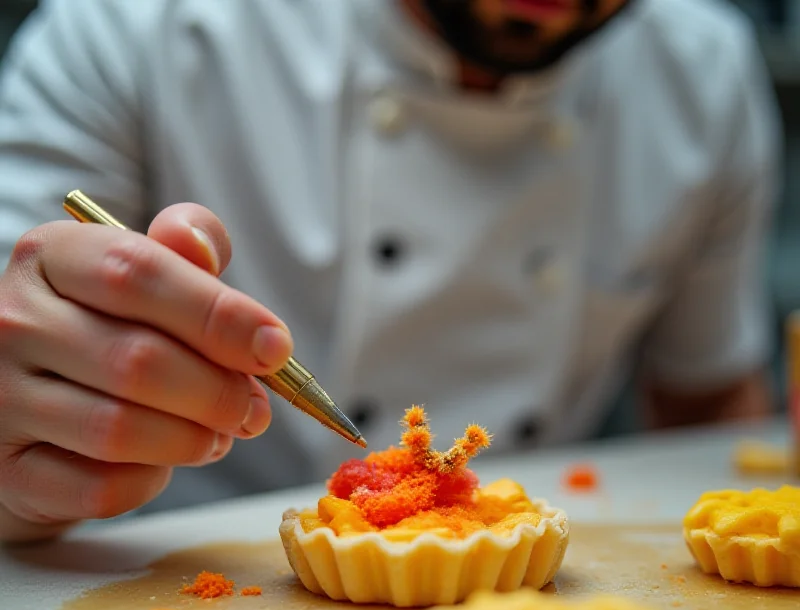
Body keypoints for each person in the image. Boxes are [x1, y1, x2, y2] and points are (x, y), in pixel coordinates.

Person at [0, 0, 781, 542]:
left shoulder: (704, 75)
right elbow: (21, 307)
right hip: (171, 567)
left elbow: (710, 401)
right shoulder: (131, 29)